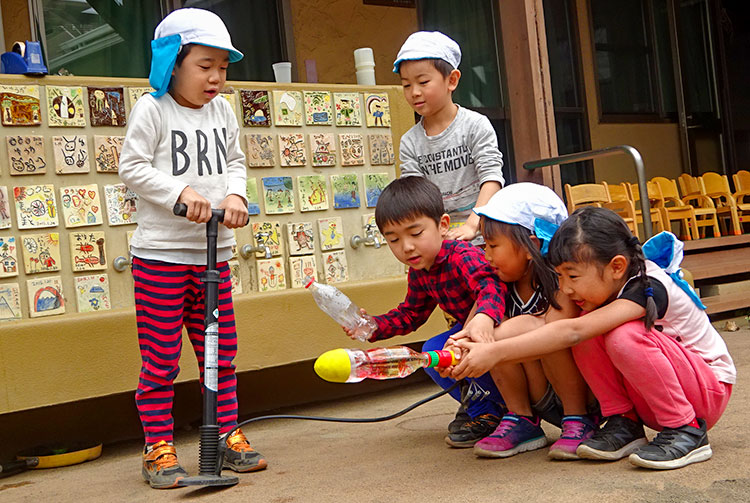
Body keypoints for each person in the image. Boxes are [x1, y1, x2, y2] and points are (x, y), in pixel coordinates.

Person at [451, 206, 735, 470]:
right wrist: (483, 345)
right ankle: (624, 423)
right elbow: (557, 331)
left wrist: (496, 353)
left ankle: (685, 430)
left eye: (572, 276)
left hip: (706, 393)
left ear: (616, 266)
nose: (565, 288)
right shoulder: (604, 290)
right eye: (559, 277)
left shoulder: (648, 285)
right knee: (590, 332)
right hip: (658, 394)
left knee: (619, 335)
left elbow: (572, 332)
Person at [119, 8, 265, 489]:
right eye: (205, 66)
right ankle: (157, 446)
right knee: (161, 357)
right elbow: (133, 167)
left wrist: (235, 196)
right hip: (162, 255)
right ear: (173, 63)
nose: (216, 78)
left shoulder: (223, 111)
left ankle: (225, 434)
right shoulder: (153, 109)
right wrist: (180, 193)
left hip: (214, 253)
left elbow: (237, 161)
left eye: (223, 67)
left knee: (220, 353)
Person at [344, 176, 508, 447]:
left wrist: (483, 319)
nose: (406, 246)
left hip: (496, 324)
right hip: (465, 333)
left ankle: (499, 408)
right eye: (394, 239)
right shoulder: (421, 270)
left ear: (443, 225)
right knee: (433, 352)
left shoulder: (462, 255)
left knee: (451, 347)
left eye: (415, 234)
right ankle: (486, 409)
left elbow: (490, 284)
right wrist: (373, 326)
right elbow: (411, 314)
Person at [447, 183, 596, 460]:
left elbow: (551, 329)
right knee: (486, 333)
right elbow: (475, 325)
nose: (486, 255)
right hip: (540, 393)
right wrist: (464, 343)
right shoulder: (499, 282)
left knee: (547, 336)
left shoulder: (560, 281)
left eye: (493, 246)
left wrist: (490, 341)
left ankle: (580, 420)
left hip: (580, 393)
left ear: (532, 245)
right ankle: (521, 419)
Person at [393, 31, 505, 243]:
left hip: (485, 237)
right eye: (406, 85)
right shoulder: (410, 142)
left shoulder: (475, 125)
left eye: (423, 82)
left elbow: (491, 178)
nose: (414, 92)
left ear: (451, 80)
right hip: (439, 243)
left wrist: (472, 225)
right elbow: (416, 198)